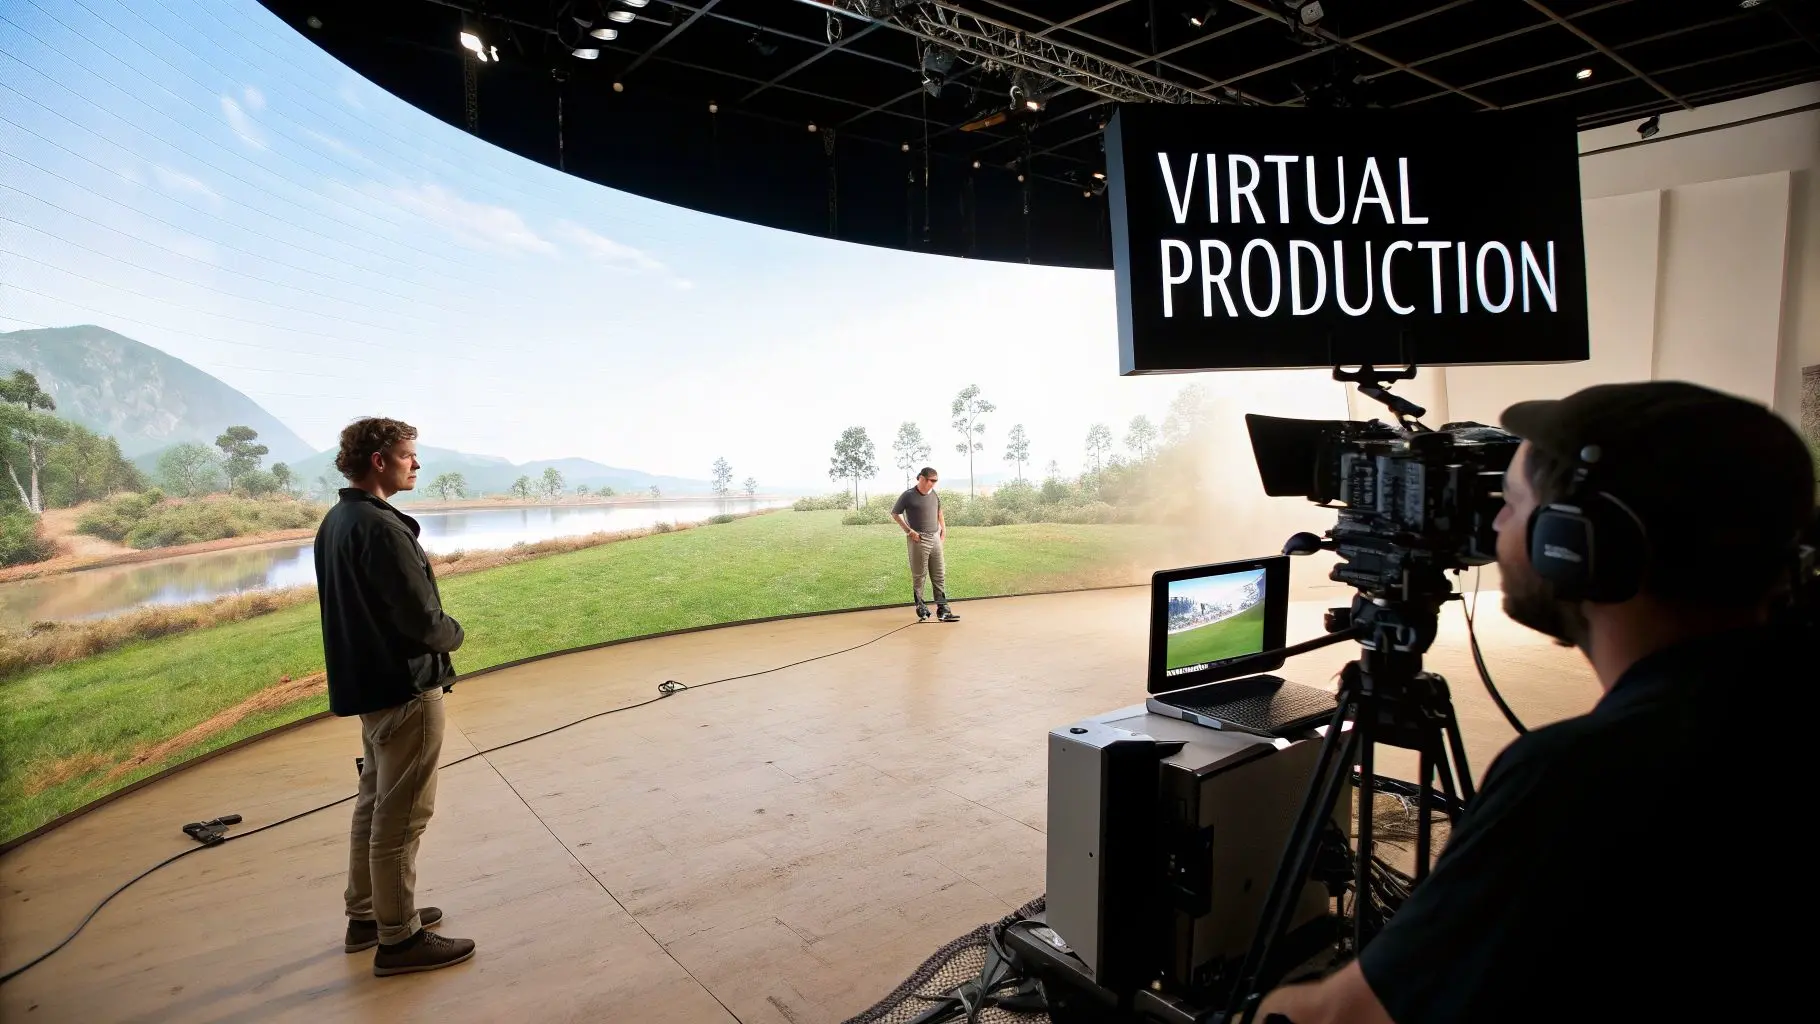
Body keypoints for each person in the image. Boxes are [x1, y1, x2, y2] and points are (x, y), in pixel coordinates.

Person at [1256, 381, 1812, 1024]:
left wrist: (1268, 1005)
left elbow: (1339, 1017)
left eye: (1510, 502)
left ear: (1571, 544)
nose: (1490, 525)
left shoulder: (1584, 778)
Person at [316, 417, 476, 977]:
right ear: (379, 460)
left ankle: (367, 916)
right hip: (405, 689)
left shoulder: (339, 520)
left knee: (373, 804)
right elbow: (420, 621)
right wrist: (454, 633)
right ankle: (399, 938)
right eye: (409, 455)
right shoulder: (381, 529)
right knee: (402, 816)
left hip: (371, 687)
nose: (416, 464)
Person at [892, 466, 959, 621]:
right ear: (921, 478)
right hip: (918, 538)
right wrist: (909, 531)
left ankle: (943, 610)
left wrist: (944, 529)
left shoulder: (934, 494)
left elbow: (939, 512)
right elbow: (895, 514)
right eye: (930, 480)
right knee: (920, 574)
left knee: (939, 574)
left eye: (935, 481)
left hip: (935, 537)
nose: (932, 484)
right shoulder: (908, 495)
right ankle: (921, 607)